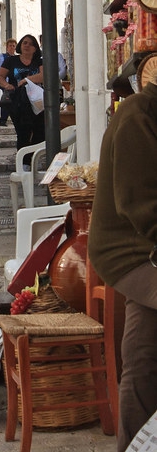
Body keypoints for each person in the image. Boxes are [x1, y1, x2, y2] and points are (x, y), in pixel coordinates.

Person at [88, 82, 157, 452]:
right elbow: (141, 206)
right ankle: (135, 442)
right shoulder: (138, 115)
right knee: (145, 361)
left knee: (146, 355)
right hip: (130, 250)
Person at [0, 34, 44, 162]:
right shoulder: (11, 61)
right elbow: (0, 76)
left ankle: (33, 159)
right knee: (22, 133)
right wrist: (7, 85)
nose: (27, 45)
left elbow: (43, 76)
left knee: (39, 132)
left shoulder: (39, 61)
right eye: (24, 43)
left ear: (35, 48)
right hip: (18, 102)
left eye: (30, 44)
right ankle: (24, 163)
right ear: (20, 46)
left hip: (37, 102)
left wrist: (26, 80)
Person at [0, 38, 18, 126]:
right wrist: (3, 83)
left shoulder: (17, 58)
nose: (12, 48)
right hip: (5, 83)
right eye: (10, 46)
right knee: (6, 100)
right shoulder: (2, 57)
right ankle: (3, 120)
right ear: (7, 47)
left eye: (13, 46)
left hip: (14, 83)